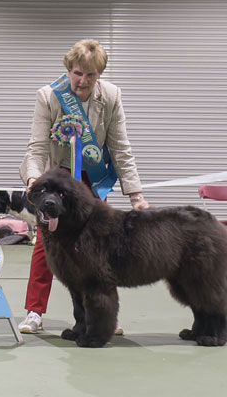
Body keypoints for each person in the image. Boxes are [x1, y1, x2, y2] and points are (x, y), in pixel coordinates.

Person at [17, 39, 150, 334]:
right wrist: (34, 183)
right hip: (55, 180)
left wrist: (136, 195)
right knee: (46, 243)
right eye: (78, 73)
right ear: (69, 69)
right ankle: (34, 312)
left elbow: (120, 147)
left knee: (99, 246)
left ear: (99, 74)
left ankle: (103, 315)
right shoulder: (49, 96)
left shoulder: (112, 96)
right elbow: (37, 147)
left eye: (91, 75)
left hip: (93, 178)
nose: (83, 80)